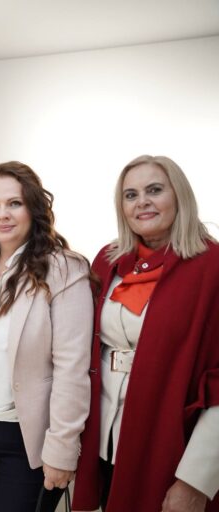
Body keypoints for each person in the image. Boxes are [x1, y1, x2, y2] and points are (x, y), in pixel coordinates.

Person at [73, 155, 219, 512]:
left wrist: (196, 480)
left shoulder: (212, 266)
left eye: (154, 190)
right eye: (131, 195)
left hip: (172, 445)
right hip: (106, 441)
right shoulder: (108, 260)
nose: (142, 202)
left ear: (179, 195)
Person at [0, 161, 93, 512]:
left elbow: (72, 368)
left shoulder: (64, 269)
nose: (2, 214)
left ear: (34, 206)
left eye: (14, 203)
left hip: (28, 439)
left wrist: (62, 448)